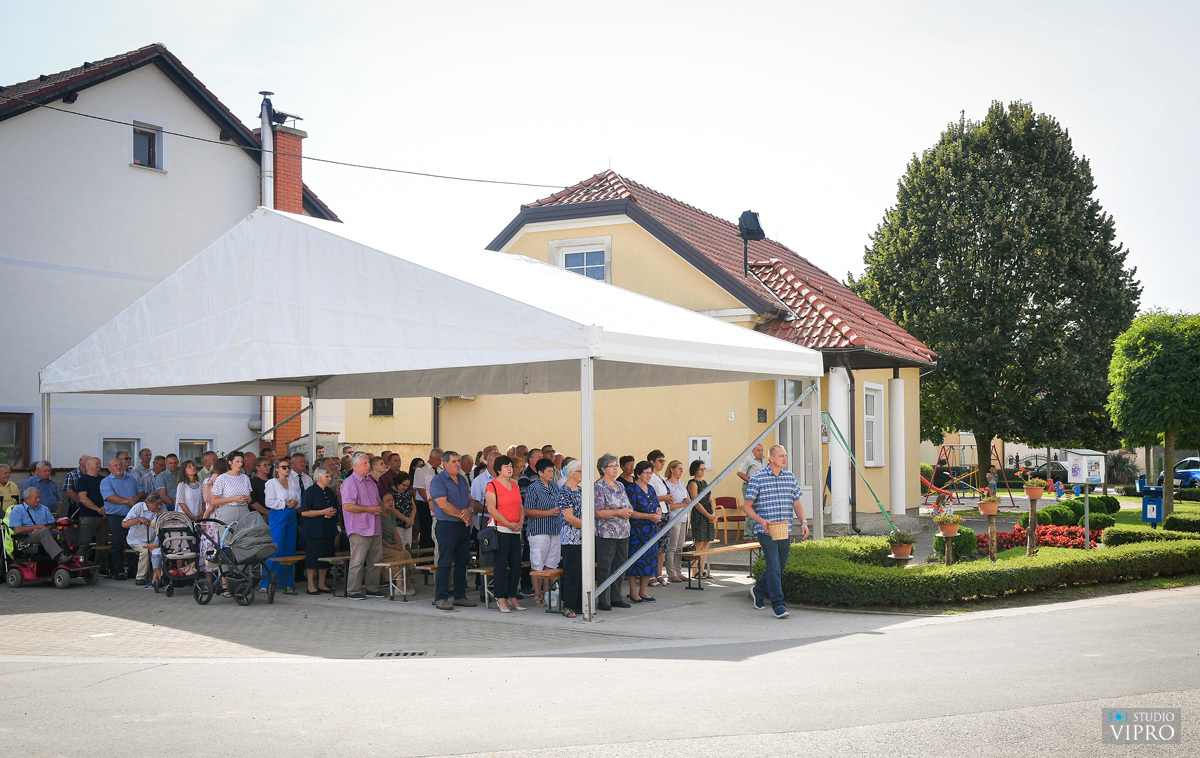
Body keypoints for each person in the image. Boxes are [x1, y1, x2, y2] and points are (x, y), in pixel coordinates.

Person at [745, 444, 809, 619]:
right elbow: (747, 506)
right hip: (765, 530)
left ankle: (758, 590)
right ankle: (778, 605)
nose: (785, 458)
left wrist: (803, 522)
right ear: (771, 458)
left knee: (780, 566)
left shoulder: (790, 477)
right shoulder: (758, 478)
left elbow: (797, 502)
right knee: (774, 566)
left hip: (784, 530)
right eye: (781, 456)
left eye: (786, 455)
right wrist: (761, 521)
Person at [429, 450, 478, 611]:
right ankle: (441, 597)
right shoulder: (438, 481)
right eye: (455, 461)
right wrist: (462, 515)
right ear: (445, 464)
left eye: (459, 461)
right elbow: (442, 504)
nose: (458, 464)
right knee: (444, 562)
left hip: (462, 527)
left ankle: (459, 596)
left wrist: (469, 510)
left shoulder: (463, 480)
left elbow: (470, 499)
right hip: (447, 525)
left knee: (462, 561)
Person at [340, 452, 385, 600]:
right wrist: (368, 509)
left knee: (376, 560)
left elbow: (377, 501)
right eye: (365, 463)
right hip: (359, 528)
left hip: (375, 526)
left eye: (368, 463)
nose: (368, 466)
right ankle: (353, 590)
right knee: (358, 561)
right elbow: (347, 506)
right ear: (355, 466)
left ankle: (372, 588)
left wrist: (381, 508)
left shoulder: (371, 482)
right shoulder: (350, 483)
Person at [484, 455, 525, 612]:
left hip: (515, 530)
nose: (510, 469)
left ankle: (512, 596)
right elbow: (492, 509)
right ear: (498, 469)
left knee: (516, 564)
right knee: (501, 565)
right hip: (501, 529)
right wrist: (508, 524)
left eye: (511, 466)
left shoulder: (514, 485)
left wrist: (520, 522)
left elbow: (520, 506)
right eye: (506, 466)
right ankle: (500, 597)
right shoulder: (492, 486)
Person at [594, 453, 633, 611]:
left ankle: (617, 597)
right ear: (603, 469)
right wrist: (618, 513)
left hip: (623, 531)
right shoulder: (599, 486)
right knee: (605, 566)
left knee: (620, 565)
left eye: (616, 465)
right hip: (607, 533)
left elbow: (627, 504)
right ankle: (603, 598)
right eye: (612, 466)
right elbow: (598, 512)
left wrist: (628, 511)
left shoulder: (620, 485)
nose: (615, 468)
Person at [525, 457, 561, 606]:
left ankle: (547, 593)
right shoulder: (533, 487)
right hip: (539, 529)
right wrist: (549, 512)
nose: (551, 473)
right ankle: (537, 594)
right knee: (538, 562)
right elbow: (528, 510)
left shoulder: (554, 486)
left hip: (554, 529)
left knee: (551, 563)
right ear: (540, 472)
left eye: (552, 471)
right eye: (548, 471)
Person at [624, 461, 662, 603]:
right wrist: (648, 516)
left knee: (650, 561)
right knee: (635, 561)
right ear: (638, 474)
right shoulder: (631, 489)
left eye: (650, 473)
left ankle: (643, 591)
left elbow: (657, 505)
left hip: (651, 530)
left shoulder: (651, 489)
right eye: (646, 473)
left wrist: (658, 513)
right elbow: (631, 511)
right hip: (638, 531)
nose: (649, 476)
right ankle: (633, 592)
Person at [263, 455, 301, 592]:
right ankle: (265, 582)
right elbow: (269, 502)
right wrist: (284, 503)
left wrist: (295, 502)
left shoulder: (292, 482)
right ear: (277, 469)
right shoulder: (271, 483)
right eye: (284, 467)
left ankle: (286, 582)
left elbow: (298, 498)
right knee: (276, 547)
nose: (287, 469)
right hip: (279, 513)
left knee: (289, 548)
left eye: (289, 467)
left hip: (291, 514)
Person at [300, 466, 338, 595]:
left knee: (326, 555)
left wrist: (332, 511)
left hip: (327, 528)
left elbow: (335, 506)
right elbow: (304, 512)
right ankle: (311, 585)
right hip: (314, 529)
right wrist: (322, 512)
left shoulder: (329, 491)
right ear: (319, 477)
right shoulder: (310, 492)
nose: (330, 479)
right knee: (313, 557)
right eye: (327, 476)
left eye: (330, 476)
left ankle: (322, 583)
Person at [101, 456, 140, 579]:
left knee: (132, 544)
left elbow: (141, 491)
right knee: (117, 544)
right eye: (115, 465)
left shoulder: (131, 479)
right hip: (116, 517)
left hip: (132, 517)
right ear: (109, 469)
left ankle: (133, 570)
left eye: (120, 465)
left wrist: (135, 498)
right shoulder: (106, 481)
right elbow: (110, 497)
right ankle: (118, 571)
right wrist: (126, 501)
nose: (119, 467)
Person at [8, 487, 71, 563]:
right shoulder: (17, 510)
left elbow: (52, 524)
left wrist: (41, 529)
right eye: (36, 498)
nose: (39, 500)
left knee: (60, 531)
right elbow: (17, 530)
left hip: (44, 532)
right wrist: (35, 527)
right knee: (43, 532)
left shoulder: (44, 509)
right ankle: (59, 558)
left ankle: (69, 553)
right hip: (26, 538)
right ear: (27, 499)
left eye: (39, 497)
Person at [556, 459, 583, 618]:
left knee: (582, 571)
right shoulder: (564, 492)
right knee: (572, 571)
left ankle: (580, 603)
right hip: (571, 537)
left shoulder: (580, 490)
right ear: (572, 472)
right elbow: (569, 517)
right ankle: (569, 605)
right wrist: (585, 525)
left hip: (582, 537)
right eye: (580, 471)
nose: (582, 474)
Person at [380, 491, 417, 597]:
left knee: (405, 553)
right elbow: (378, 538)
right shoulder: (377, 515)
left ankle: (408, 583)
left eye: (392, 500)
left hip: (392, 545)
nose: (391, 502)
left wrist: (399, 544)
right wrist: (392, 546)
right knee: (400, 555)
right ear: (381, 502)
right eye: (388, 500)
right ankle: (399, 585)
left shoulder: (391, 513)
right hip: (382, 546)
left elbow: (394, 531)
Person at [123, 491, 164, 587]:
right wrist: (139, 519)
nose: (159, 507)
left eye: (160, 504)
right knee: (145, 551)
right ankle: (140, 578)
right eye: (156, 504)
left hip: (152, 540)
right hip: (135, 539)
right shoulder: (139, 507)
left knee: (160, 551)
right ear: (148, 503)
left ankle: (160, 577)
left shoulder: (162, 509)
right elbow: (124, 524)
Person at [646, 450, 674, 585]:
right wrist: (664, 498)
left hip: (665, 511)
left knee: (663, 546)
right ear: (652, 462)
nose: (663, 463)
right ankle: (650, 575)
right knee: (654, 544)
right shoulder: (650, 477)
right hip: (656, 513)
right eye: (660, 461)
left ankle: (659, 574)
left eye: (664, 460)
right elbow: (649, 497)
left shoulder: (660, 477)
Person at [74, 456, 108, 561]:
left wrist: (105, 507)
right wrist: (98, 509)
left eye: (100, 463)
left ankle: (100, 567)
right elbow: (83, 498)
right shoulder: (82, 480)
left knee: (103, 544)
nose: (99, 465)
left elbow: (110, 495)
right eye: (96, 463)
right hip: (88, 516)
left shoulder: (104, 480)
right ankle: (80, 566)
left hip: (103, 516)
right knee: (84, 543)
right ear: (88, 465)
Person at [688, 459, 717, 579]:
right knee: (699, 543)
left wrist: (713, 512)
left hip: (708, 514)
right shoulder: (693, 483)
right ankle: (694, 571)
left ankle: (702, 570)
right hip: (699, 515)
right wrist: (707, 515)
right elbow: (696, 502)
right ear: (695, 470)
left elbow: (710, 499)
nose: (702, 471)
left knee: (706, 543)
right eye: (700, 469)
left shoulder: (705, 482)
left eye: (704, 468)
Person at [663, 459, 691, 583]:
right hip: (674, 518)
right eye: (679, 468)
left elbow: (686, 500)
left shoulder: (681, 484)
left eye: (682, 468)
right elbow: (669, 505)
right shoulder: (667, 485)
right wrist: (682, 504)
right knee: (672, 547)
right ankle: (670, 573)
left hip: (684, 517)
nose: (681, 471)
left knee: (680, 546)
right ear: (672, 469)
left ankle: (679, 571)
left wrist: (687, 502)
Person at [209, 452, 253, 527]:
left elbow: (250, 498)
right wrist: (233, 499)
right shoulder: (222, 478)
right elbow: (214, 501)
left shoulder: (245, 478)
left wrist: (247, 499)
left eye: (241, 462)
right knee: (228, 536)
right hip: (228, 511)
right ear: (230, 462)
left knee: (245, 536)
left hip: (244, 510)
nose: (240, 464)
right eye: (237, 461)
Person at [414, 449, 443, 550]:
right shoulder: (421, 470)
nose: (440, 462)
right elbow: (421, 489)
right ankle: (425, 559)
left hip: (439, 506)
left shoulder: (440, 471)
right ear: (431, 458)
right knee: (426, 531)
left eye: (441, 460)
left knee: (436, 531)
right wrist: (430, 502)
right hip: (425, 505)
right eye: (438, 460)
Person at [738, 444, 766, 538]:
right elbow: (740, 472)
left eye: (761, 450)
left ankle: (757, 535)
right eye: (758, 450)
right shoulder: (749, 459)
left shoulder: (764, 460)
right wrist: (751, 481)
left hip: (761, 488)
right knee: (750, 510)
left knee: (759, 510)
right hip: (749, 487)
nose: (760, 452)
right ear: (753, 451)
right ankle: (748, 536)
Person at [387, 472, 416, 549]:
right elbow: (392, 509)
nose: (405, 488)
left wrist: (411, 519)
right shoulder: (390, 493)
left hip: (408, 524)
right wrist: (406, 519)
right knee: (400, 546)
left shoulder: (408, 493)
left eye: (407, 485)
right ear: (398, 482)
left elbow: (413, 507)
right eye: (403, 485)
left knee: (408, 546)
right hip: (397, 524)